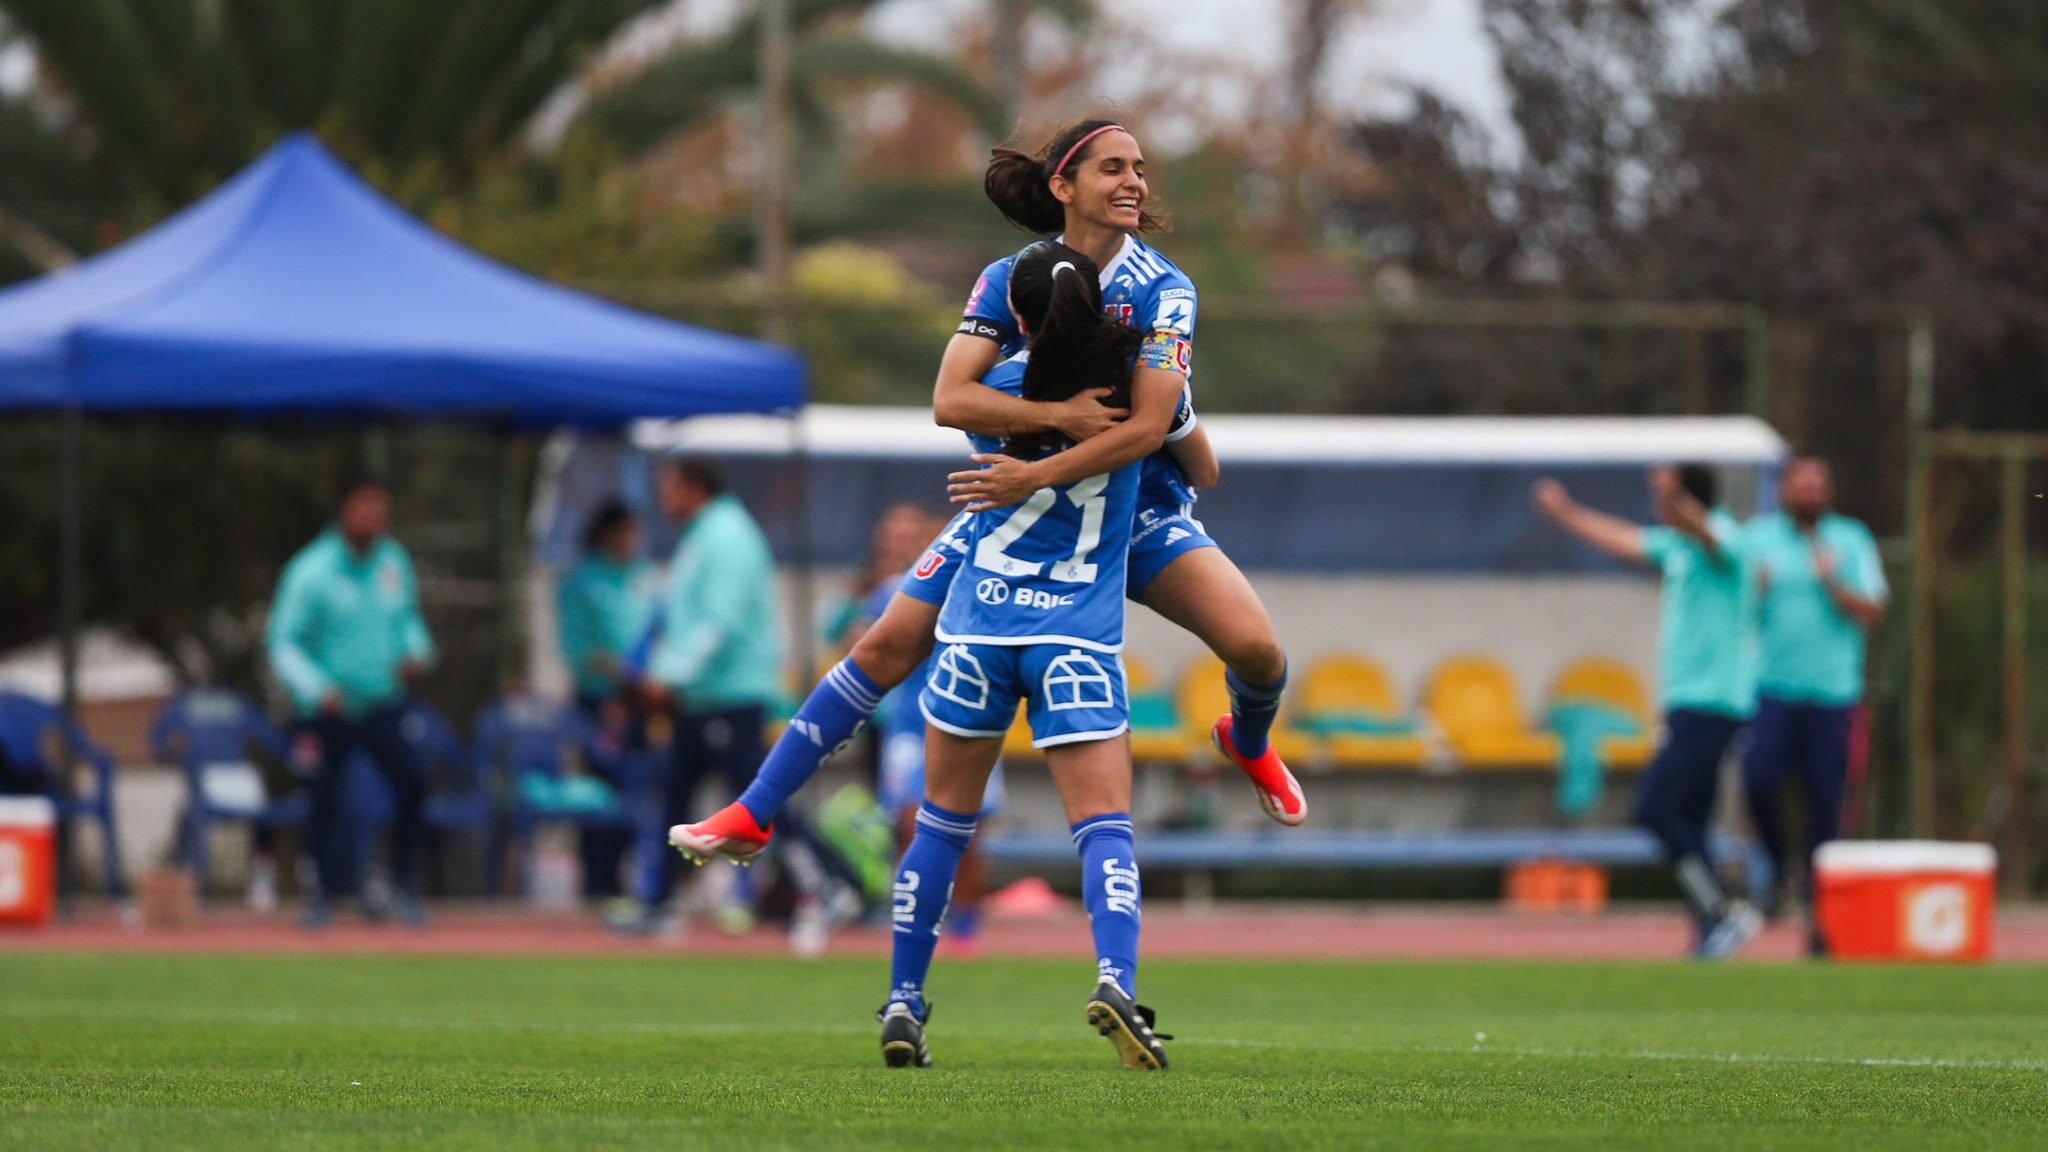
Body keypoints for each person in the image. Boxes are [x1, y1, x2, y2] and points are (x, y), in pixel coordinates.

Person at [675, 116, 1304, 866]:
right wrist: (1052, 421)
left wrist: (1038, 464)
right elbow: (950, 399)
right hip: (1022, 516)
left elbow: (1146, 432)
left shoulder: (1166, 288)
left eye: (1139, 167)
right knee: (882, 646)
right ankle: (753, 812)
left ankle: (1248, 739)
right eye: (1113, 168)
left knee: (1259, 651)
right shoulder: (1009, 279)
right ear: (1063, 186)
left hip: (1134, 514)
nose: (1134, 181)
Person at [881, 239, 1171, 1070]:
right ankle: (1116, 979)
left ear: (1017, 315)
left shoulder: (993, 392)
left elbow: (949, 400)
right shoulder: (1127, 395)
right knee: (1103, 827)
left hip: (976, 632)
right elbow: (1203, 464)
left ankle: (904, 999)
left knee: (938, 827)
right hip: (1073, 634)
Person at [1534, 465, 1764, 959]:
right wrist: (1565, 513)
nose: (1658, 509)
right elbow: (1621, 540)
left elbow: (1709, 537)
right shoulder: (1675, 548)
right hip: (1685, 702)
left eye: (1666, 499)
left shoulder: (1723, 536)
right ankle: (1711, 923)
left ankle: (1724, 910)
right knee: (1690, 820)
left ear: (1686, 499)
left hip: (1714, 701)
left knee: (1655, 809)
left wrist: (1677, 501)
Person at [637, 458, 835, 951]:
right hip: (706, 695)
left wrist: (670, 676)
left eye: (668, 487)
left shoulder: (725, 537)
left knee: (761, 801)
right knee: (678, 794)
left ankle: (827, 883)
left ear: (692, 487)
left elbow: (715, 623)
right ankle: (659, 901)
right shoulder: (706, 534)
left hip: (731, 695)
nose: (663, 500)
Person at [267, 477, 435, 929]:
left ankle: (402, 885)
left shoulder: (392, 561)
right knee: (323, 798)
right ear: (344, 511)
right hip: (327, 710)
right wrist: (317, 688)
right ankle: (321, 896)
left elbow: (409, 622)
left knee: (414, 783)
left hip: (383, 703)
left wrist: (416, 652)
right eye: (366, 509)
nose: (375, 520)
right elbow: (284, 643)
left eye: (381, 510)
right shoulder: (311, 571)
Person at [1741, 456, 1887, 949]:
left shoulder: (1850, 540)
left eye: (1816, 484)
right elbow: (1733, 606)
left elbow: (1872, 609)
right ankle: (1781, 867)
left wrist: (1832, 582)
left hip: (1832, 692)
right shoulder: (1760, 539)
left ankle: (1822, 914)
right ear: (1785, 490)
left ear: (1828, 492)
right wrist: (1754, 592)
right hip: (1773, 688)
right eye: (1799, 484)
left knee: (1826, 802)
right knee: (1757, 778)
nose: (1808, 492)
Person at [556, 499, 656, 902]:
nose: (633, 541)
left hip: (641, 703)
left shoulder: (644, 577)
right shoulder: (582, 581)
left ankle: (627, 877)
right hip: (598, 703)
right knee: (600, 790)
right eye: (625, 532)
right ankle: (596, 880)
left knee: (639, 788)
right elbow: (577, 647)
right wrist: (615, 673)